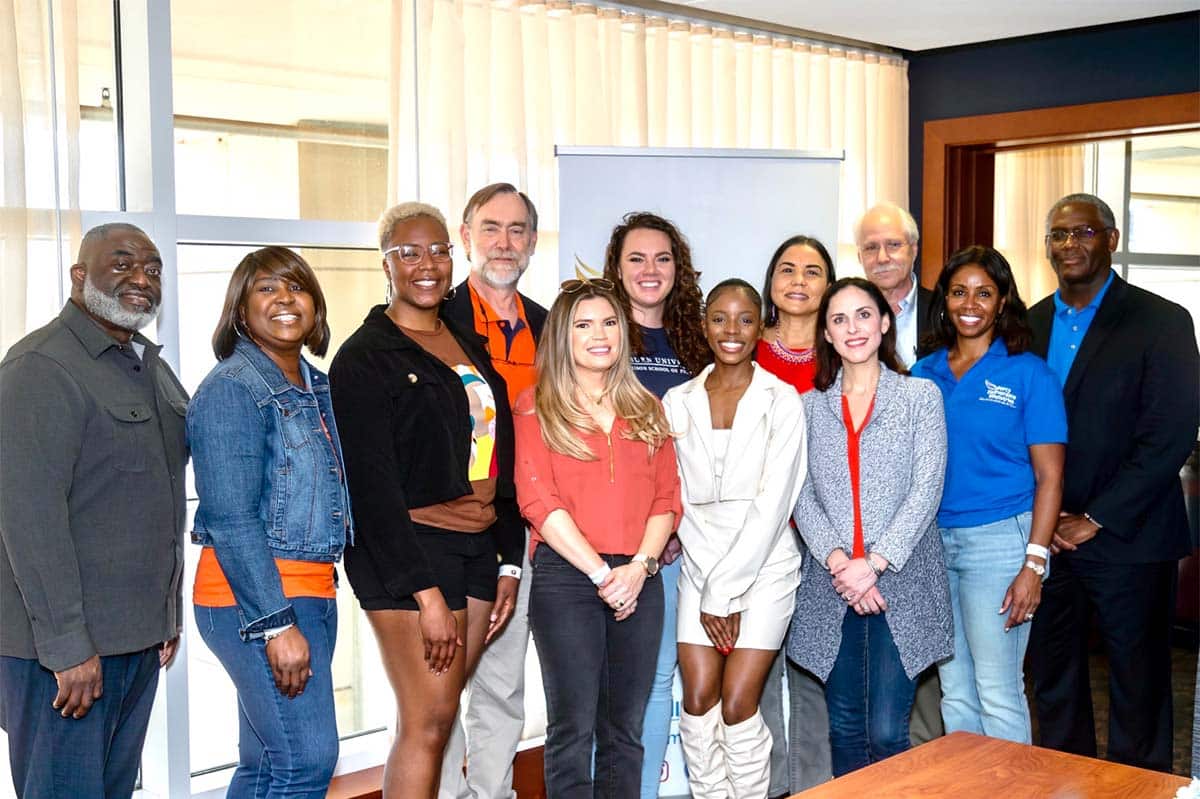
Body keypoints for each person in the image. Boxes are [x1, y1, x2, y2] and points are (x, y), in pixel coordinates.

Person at [330, 202, 523, 797]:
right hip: (411, 551)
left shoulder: (462, 338)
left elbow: (498, 450)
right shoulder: (364, 357)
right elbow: (372, 487)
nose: (427, 264)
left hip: (475, 546)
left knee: (440, 715)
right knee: (428, 722)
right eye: (409, 252)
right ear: (385, 262)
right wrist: (426, 594)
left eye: (438, 250)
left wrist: (508, 557)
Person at [0, 223, 188, 798]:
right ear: (80, 277)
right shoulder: (41, 366)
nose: (141, 279)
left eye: (153, 269)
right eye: (123, 263)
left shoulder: (145, 364)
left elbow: (153, 498)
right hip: (64, 655)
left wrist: (165, 613)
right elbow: (29, 519)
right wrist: (68, 648)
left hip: (134, 637)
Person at [1027, 193, 1199, 772]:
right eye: (1058, 234)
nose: (1069, 244)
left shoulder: (1162, 320)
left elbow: (1169, 434)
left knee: (1138, 684)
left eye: (1083, 232)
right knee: (1052, 681)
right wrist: (1043, 519)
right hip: (1044, 540)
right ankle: (1066, 784)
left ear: (1111, 239)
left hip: (1131, 537)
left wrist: (1095, 518)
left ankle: (1139, 790)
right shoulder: (1030, 322)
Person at [188, 247, 351, 796]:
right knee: (305, 761)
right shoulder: (232, 389)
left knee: (267, 765)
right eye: (266, 288)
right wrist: (277, 624)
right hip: (255, 601)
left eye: (297, 287)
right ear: (239, 310)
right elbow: (231, 520)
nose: (285, 298)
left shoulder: (315, 386)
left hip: (309, 590)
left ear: (315, 307)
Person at [513, 277, 681, 798]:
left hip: (639, 578)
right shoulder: (534, 405)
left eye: (609, 322)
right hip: (569, 580)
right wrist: (601, 573)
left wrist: (640, 569)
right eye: (584, 325)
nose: (599, 335)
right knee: (572, 731)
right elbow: (538, 502)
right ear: (563, 336)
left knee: (624, 732)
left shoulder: (648, 408)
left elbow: (667, 500)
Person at [786, 277, 952, 777]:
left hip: (901, 582)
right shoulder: (809, 406)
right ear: (828, 336)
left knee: (886, 729)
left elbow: (927, 488)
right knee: (845, 727)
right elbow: (801, 492)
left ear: (884, 323)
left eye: (863, 315)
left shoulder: (920, 397)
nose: (852, 328)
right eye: (838, 319)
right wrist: (840, 563)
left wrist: (873, 565)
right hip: (831, 585)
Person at [911, 245, 1065, 744]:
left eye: (983, 293)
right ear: (945, 300)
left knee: (997, 689)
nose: (969, 303)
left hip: (1002, 542)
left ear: (1002, 302)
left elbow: (1050, 479)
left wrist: (1034, 565)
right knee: (955, 690)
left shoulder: (1029, 373)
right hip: (933, 544)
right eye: (958, 292)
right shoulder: (923, 373)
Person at [664, 279, 806, 798]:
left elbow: (774, 507)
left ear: (760, 328)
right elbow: (674, 496)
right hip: (699, 567)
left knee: (738, 702)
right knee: (698, 700)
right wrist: (710, 587)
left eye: (745, 319)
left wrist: (725, 591)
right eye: (720, 318)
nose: (732, 330)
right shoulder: (676, 402)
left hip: (766, 569)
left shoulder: (782, 400)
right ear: (704, 326)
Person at [439, 183, 548, 799]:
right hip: (452, 533)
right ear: (466, 236)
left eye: (516, 230)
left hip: (528, 534)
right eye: (490, 228)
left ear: (532, 241)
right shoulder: (434, 320)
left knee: (503, 685)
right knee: (439, 687)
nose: (503, 242)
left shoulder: (551, 326)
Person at [602, 211, 707, 797]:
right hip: (616, 544)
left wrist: (670, 530)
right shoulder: (601, 336)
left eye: (663, 258)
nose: (650, 270)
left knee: (658, 678)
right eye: (636, 258)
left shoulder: (698, 341)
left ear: (678, 270)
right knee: (612, 687)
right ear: (617, 268)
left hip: (682, 543)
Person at [854, 202, 942, 746]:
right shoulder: (842, 315)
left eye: (893, 245)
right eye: (870, 247)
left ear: (914, 248)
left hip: (935, 513)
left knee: (930, 671)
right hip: (860, 531)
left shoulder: (950, 309)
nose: (882, 256)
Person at [755, 234, 837, 793]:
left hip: (826, 536)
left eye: (813, 271)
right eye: (787, 269)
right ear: (771, 283)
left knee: (812, 669)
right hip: (757, 536)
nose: (800, 281)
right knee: (757, 669)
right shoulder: (742, 346)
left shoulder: (845, 350)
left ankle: (815, 785)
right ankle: (768, 783)